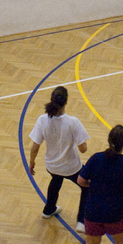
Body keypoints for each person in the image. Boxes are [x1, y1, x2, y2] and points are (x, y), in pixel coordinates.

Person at [28, 86, 89, 231]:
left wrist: (32, 163)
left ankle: (49, 209)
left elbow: (35, 146)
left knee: (56, 179)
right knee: (87, 186)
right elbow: (83, 149)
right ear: (66, 102)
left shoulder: (42, 120)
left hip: (52, 166)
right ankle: (81, 221)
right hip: (71, 167)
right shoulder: (73, 122)